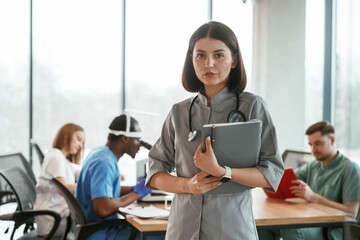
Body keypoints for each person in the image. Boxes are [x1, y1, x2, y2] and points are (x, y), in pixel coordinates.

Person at [145, 21, 284, 240]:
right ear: (191, 60)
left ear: (234, 60)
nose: (208, 64)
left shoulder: (252, 107)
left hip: (231, 229)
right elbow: (154, 173)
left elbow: (272, 174)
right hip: (183, 230)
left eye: (219, 55)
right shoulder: (179, 112)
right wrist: (189, 185)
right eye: (200, 55)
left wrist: (223, 172)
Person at [258, 121, 360, 240]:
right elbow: (285, 178)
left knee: (291, 228)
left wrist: (313, 197)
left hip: (332, 229)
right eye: (310, 145)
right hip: (311, 219)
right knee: (262, 227)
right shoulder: (314, 166)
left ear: (332, 140)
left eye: (318, 144)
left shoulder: (350, 169)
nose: (313, 149)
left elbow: (352, 213)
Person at [75, 114, 161, 240]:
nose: (140, 145)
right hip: (102, 233)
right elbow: (102, 209)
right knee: (163, 235)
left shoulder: (100, 153)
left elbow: (105, 192)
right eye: (137, 140)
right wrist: (137, 193)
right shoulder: (104, 162)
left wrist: (133, 188)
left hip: (95, 229)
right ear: (125, 139)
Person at [34, 123, 85, 237]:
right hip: (53, 222)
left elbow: (80, 172)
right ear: (66, 136)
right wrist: (87, 186)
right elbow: (63, 190)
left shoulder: (61, 158)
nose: (81, 146)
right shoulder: (56, 158)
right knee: (94, 222)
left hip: (56, 217)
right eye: (78, 139)